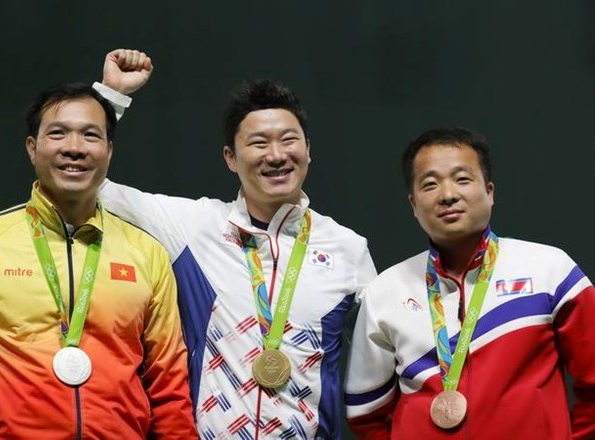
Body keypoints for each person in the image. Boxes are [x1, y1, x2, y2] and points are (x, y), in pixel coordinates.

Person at [94, 49, 378, 438]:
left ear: (308, 150)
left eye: (288, 140)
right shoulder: (193, 226)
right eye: (259, 143)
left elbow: (387, 356)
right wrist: (111, 97)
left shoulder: (349, 249)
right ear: (231, 157)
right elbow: (92, 188)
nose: (276, 155)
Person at [0, 82, 197, 438]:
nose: (74, 148)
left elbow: (169, 383)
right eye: (58, 133)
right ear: (32, 148)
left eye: (90, 136)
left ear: (109, 151)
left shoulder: (147, 253)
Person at [344, 127, 595, 439]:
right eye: (430, 184)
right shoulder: (385, 291)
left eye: (462, 179)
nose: (448, 194)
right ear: (413, 204)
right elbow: (366, 413)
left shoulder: (550, 270)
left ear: (490, 191)